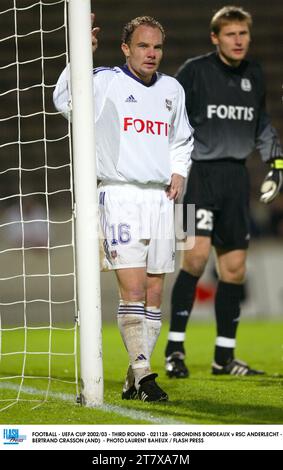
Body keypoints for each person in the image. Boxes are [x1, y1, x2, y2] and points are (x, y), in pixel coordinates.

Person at [53, 14, 194, 401]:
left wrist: (180, 171)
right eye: (143, 46)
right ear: (126, 48)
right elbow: (63, 101)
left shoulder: (173, 89)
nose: (151, 54)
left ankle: (135, 375)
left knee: (153, 293)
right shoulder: (104, 81)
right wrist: (80, 58)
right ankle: (146, 376)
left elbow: (182, 139)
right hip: (119, 194)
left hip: (163, 200)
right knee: (131, 289)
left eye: (157, 47)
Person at [165, 5, 283, 378]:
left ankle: (224, 358)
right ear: (215, 38)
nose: (238, 41)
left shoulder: (255, 74)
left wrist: (277, 163)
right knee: (195, 260)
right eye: (230, 34)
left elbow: (261, 123)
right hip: (194, 177)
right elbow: (167, 117)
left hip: (235, 180)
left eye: (243, 34)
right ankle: (174, 351)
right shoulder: (193, 72)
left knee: (234, 268)